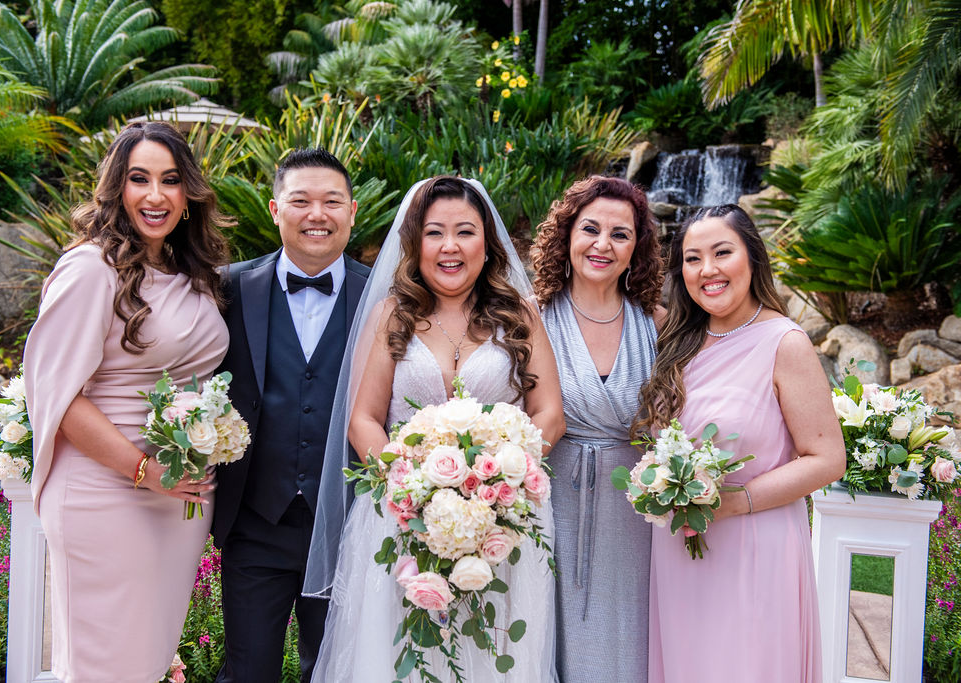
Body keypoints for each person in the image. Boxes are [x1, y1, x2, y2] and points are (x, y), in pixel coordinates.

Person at [304, 176, 566, 682]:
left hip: (503, 522)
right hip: (401, 517)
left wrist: (500, 481)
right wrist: (412, 486)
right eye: (434, 233)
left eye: (465, 232)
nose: (450, 246)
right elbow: (363, 420)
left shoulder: (520, 315)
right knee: (397, 653)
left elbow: (550, 414)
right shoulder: (392, 315)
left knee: (493, 654)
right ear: (415, 243)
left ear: (487, 244)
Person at [24, 121, 231, 682]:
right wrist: (145, 469)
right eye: (139, 179)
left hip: (178, 502)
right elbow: (60, 396)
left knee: (146, 662)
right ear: (117, 188)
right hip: (106, 493)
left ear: (189, 194)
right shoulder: (90, 269)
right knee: (105, 666)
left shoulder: (193, 274)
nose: (155, 195)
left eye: (170, 180)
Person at [636, 205, 846, 683]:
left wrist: (736, 501)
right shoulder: (676, 340)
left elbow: (828, 458)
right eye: (692, 259)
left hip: (754, 547)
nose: (707, 270)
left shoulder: (785, 342)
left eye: (722, 253)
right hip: (679, 552)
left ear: (752, 257)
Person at [211, 148, 370, 683]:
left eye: (332, 202)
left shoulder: (386, 295)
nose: (317, 215)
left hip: (350, 527)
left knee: (335, 672)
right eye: (301, 201)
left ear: (352, 211)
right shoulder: (228, 288)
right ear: (276, 209)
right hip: (256, 524)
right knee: (247, 671)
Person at [530, 175, 665, 682]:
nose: (603, 244)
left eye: (620, 234)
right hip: (549, 501)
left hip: (634, 511)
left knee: (626, 639)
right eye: (590, 229)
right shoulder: (531, 316)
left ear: (636, 249)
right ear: (567, 235)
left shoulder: (657, 323)